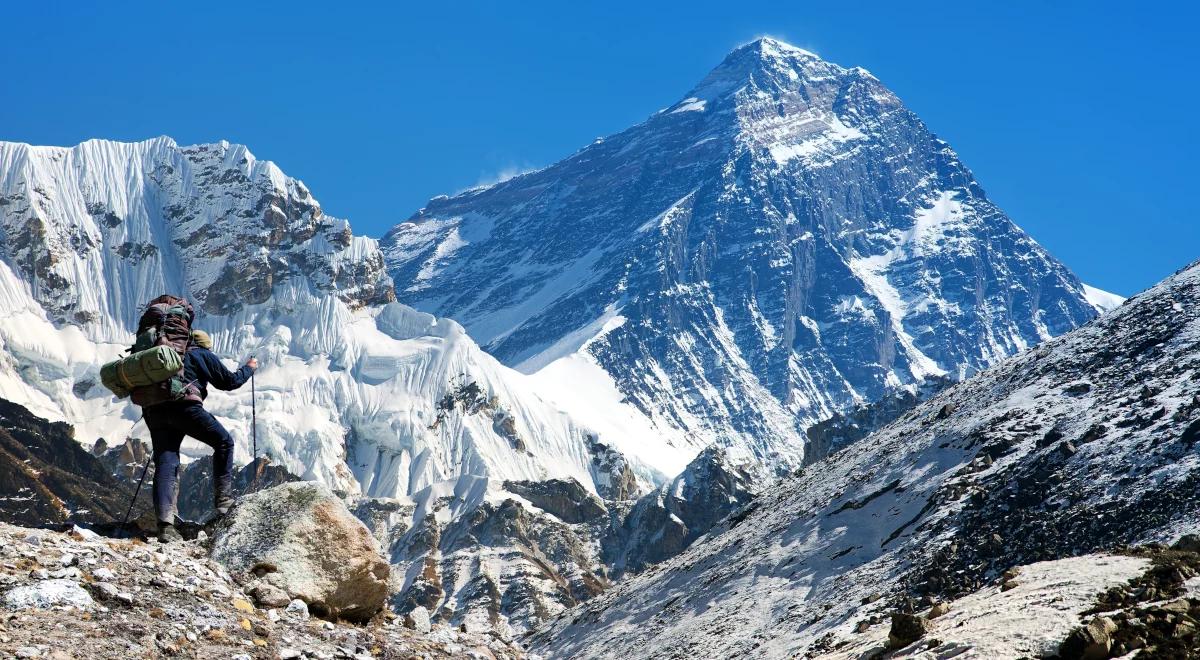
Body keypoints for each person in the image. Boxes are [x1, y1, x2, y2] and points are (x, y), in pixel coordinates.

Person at [144, 329, 257, 542]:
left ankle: (165, 526)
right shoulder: (201, 354)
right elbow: (229, 381)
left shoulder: (163, 355)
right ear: (205, 345)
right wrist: (249, 369)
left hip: (154, 410)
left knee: (166, 461)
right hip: (185, 408)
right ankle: (224, 503)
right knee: (224, 442)